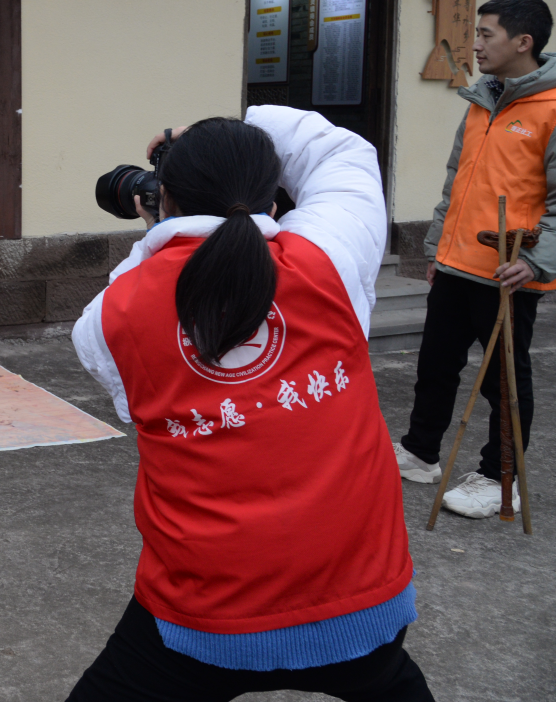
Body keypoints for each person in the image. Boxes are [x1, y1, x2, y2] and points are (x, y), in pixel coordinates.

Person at [67, 107, 432, 701]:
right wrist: (219, 133)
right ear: (273, 191)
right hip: (361, 602)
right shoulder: (331, 258)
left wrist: (160, 232)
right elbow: (339, 152)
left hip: (201, 621)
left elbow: (132, 400)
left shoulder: (109, 318)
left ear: (165, 197)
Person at [394, 0, 556, 519]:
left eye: (486, 34)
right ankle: (420, 453)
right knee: (435, 365)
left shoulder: (552, 107)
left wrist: (537, 261)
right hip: (456, 263)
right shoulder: (482, 98)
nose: (477, 45)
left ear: (523, 42)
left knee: (503, 383)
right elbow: (456, 181)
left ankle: (500, 477)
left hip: (509, 272)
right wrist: (437, 248)